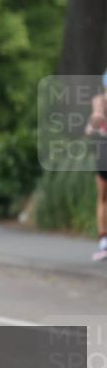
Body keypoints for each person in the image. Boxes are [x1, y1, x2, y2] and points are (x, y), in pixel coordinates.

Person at [86, 69, 107, 261]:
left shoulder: (99, 100)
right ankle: (103, 241)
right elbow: (95, 119)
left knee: (102, 197)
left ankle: (103, 241)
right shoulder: (100, 101)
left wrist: (91, 126)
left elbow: (92, 124)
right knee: (102, 196)